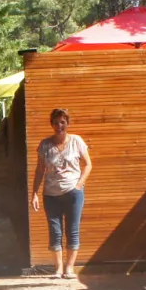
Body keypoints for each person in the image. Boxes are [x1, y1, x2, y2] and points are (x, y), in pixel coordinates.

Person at [29, 108, 93, 279]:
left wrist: (79, 184)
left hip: (73, 192)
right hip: (50, 194)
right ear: (52, 124)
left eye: (62, 122)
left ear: (67, 123)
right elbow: (39, 169)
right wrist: (34, 193)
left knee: (72, 230)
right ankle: (57, 268)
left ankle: (69, 268)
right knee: (55, 230)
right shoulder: (45, 144)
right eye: (56, 122)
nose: (59, 126)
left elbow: (88, 164)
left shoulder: (76, 141)